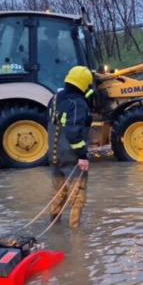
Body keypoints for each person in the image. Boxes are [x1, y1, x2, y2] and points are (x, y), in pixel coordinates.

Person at [48, 66, 95, 227]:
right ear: (85, 84)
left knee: (58, 193)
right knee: (77, 196)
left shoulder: (55, 98)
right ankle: (75, 235)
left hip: (54, 155)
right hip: (71, 156)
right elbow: (73, 132)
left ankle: (55, 227)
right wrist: (82, 156)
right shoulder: (78, 103)